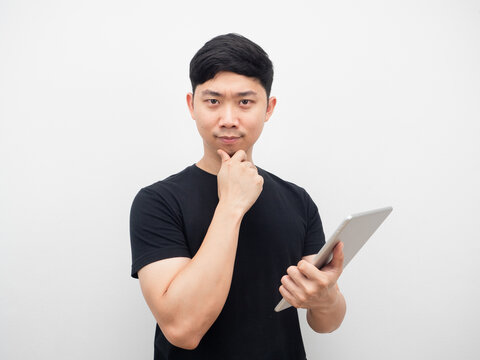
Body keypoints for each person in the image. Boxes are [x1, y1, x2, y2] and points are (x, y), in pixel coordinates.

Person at [129, 33, 346, 360]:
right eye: (213, 101)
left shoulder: (297, 200)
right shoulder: (158, 202)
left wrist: (325, 296)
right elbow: (182, 329)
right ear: (192, 105)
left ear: (268, 108)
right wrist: (231, 204)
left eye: (245, 102)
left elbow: (326, 324)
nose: (228, 119)